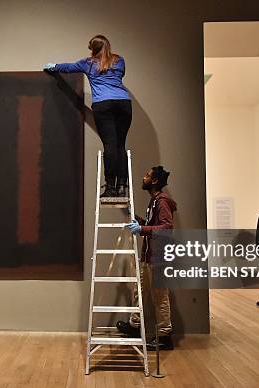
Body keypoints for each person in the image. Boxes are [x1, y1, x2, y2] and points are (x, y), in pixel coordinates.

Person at [44, 35, 132, 198]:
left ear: (93, 49)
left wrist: (52, 66)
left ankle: (111, 188)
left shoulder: (88, 63)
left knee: (110, 145)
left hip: (103, 104)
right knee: (120, 145)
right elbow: (121, 76)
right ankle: (121, 186)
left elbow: (68, 67)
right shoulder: (119, 61)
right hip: (124, 103)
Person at [117, 166, 177, 350]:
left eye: (147, 175)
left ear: (155, 181)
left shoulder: (162, 201)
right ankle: (135, 326)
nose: (144, 178)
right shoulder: (154, 201)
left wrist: (142, 229)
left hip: (158, 258)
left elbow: (166, 227)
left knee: (160, 297)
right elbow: (153, 225)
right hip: (148, 256)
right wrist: (136, 219)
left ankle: (165, 337)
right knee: (139, 292)